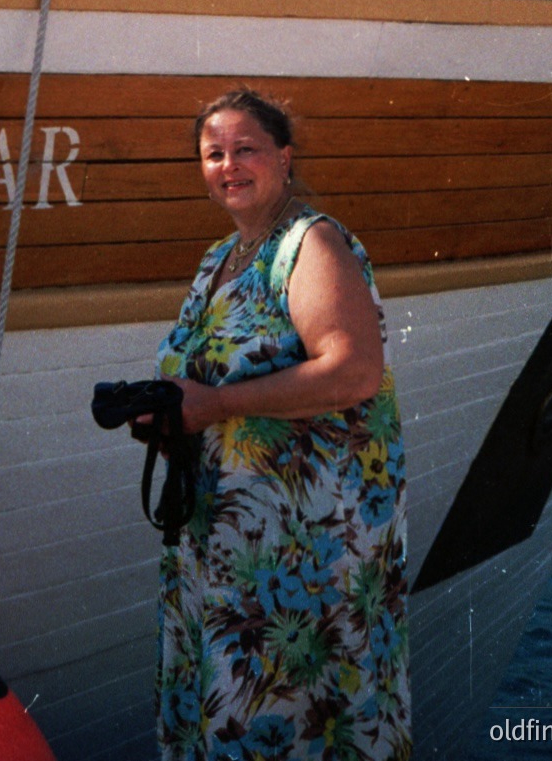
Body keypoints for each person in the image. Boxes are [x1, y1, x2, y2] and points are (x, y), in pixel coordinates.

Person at [153, 87, 409, 761]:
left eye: (246, 149)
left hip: (302, 557)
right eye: (214, 153)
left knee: (295, 718)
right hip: (227, 549)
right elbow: (211, 382)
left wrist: (217, 406)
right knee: (234, 711)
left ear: (284, 157)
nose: (228, 165)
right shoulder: (220, 259)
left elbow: (352, 370)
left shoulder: (309, 242)